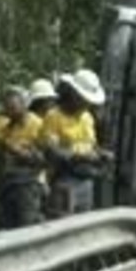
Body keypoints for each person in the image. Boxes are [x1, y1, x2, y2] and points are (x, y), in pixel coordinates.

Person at [40, 70, 112, 217]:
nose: (87, 104)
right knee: (62, 225)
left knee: (82, 227)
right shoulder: (54, 116)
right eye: (84, 99)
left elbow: (90, 145)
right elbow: (52, 151)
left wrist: (101, 153)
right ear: (73, 94)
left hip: (86, 180)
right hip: (63, 181)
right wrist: (79, 157)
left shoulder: (87, 118)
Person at [0, 85, 46, 229]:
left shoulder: (37, 124)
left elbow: (43, 158)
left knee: (26, 227)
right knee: (4, 228)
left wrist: (18, 151)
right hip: (6, 186)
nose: (8, 111)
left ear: (24, 105)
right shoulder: (5, 128)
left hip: (28, 185)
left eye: (12, 107)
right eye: (6, 107)